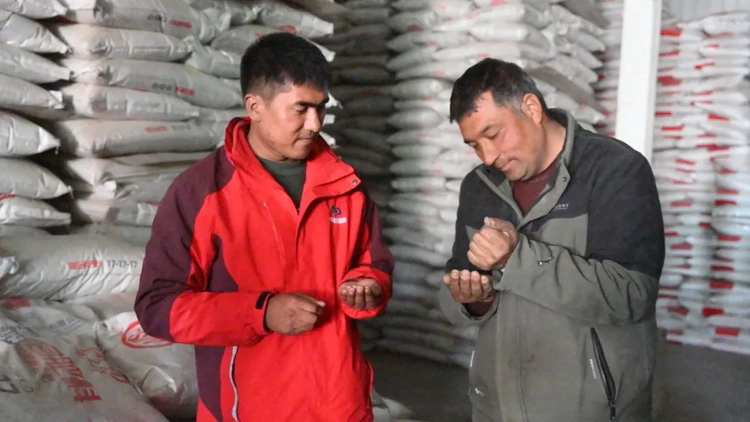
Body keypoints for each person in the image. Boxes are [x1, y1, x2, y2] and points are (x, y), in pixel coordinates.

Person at [135, 33, 394, 422]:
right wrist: (261, 312)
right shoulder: (203, 192)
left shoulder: (346, 184)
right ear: (255, 106)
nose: (315, 124)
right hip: (248, 410)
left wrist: (367, 288)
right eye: (301, 109)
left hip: (340, 405)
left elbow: (375, 265)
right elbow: (158, 307)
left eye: (321, 108)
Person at [438, 58, 665, 422]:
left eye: (494, 134)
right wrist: (472, 300)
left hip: (590, 410)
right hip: (497, 407)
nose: (488, 156)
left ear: (531, 108)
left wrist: (515, 258)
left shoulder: (615, 170)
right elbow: (453, 295)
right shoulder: (479, 187)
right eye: (475, 145)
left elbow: (630, 295)